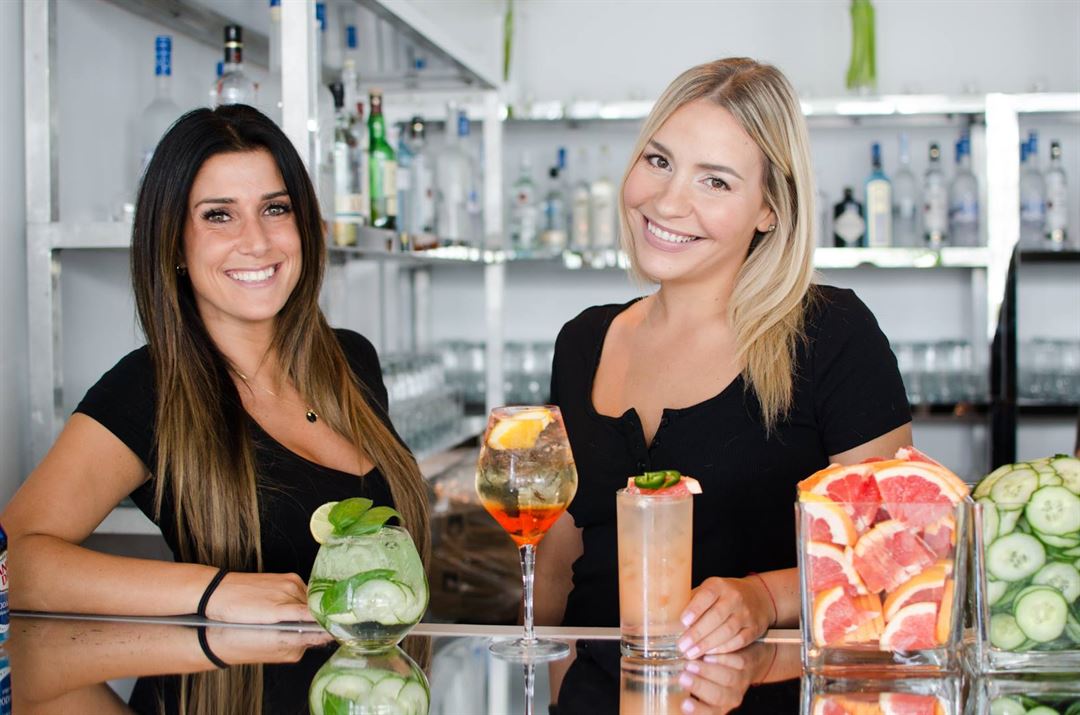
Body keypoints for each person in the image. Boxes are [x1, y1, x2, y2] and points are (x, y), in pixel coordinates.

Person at [537, 57, 912, 688]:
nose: (667, 201)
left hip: (764, 693)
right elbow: (558, 563)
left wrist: (765, 598)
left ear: (770, 209)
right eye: (659, 161)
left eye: (715, 181)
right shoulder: (583, 341)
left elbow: (896, 552)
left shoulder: (830, 333)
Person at [2, 104, 429, 627]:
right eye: (218, 215)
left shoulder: (351, 360)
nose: (257, 241)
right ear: (175, 243)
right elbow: (13, 561)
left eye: (276, 208)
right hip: (234, 676)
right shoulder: (150, 389)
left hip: (375, 675)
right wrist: (212, 591)